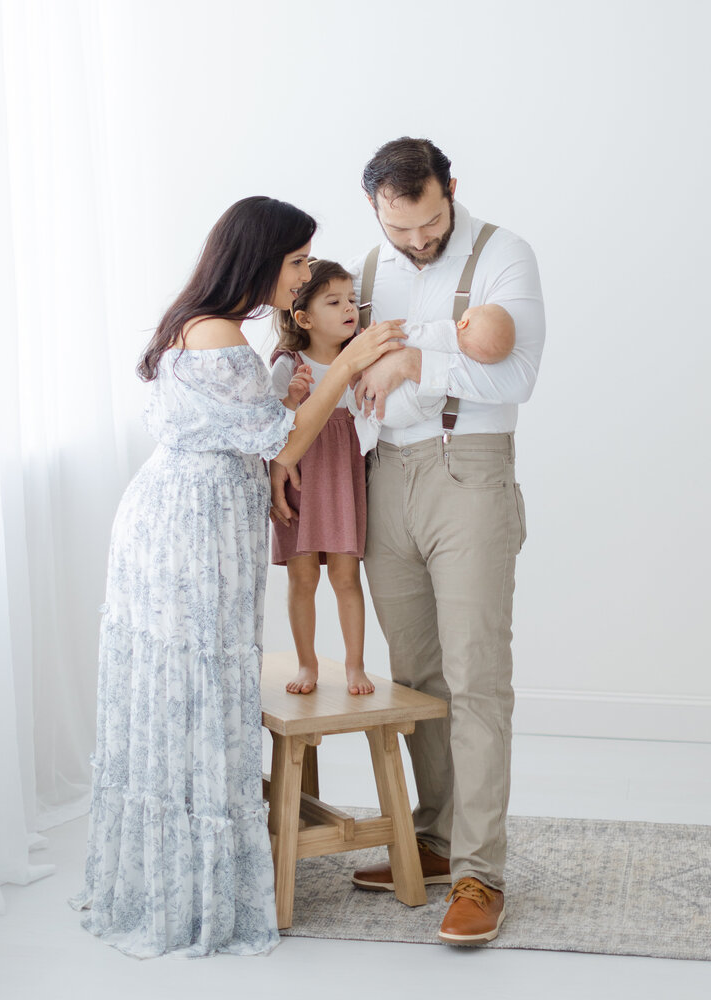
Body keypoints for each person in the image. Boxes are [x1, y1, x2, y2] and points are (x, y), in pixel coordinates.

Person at [69, 197, 405, 959]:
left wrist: (277, 440)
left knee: (180, 696)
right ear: (257, 259)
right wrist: (347, 365)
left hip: (180, 513)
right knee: (200, 693)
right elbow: (283, 438)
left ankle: (172, 877)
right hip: (193, 527)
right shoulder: (221, 336)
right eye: (296, 262)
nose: (303, 277)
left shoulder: (200, 323)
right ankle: (194, 890)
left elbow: (249, 432)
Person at [272, 137, 545, 945]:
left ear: (450, 188)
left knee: (476, 677)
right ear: (374, 209)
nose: (417, 241)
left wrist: (415, 362)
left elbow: (517, 376)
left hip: (470, 469)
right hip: (382, 475)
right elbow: (335, 361)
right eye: (400, 229)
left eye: (429, 223)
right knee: (418, 676)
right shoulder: (364, 269)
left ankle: (480, 873)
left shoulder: (504, 255)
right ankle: (433, 838)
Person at [270, 259, 392, 696]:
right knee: (303, 579)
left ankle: (355, 666)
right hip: (300, 480)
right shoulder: (288, 364)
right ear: (304, 318)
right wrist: (293, 399)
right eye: (335, 302)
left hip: (342, 479)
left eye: (352, 300)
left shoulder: (359, 360)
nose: (349, 309)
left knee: (345, 578)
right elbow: (270, 427)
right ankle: (307, 664)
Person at [349, 304, 515, 454]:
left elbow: (411, 335)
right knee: (437, 397)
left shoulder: (445, 332)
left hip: (387, 401)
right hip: (407, 413)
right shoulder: (461, 363)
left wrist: (380, 337)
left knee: (359, 392)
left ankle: (363, 418)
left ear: (463, 323)